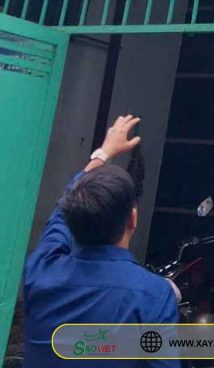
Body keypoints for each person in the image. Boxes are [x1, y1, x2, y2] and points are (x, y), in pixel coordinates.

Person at [23, 114, 178, 367]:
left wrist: (102, 154)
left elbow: (61, 214)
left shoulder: (41, 271)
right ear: (133, 218)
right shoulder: (153, 295)